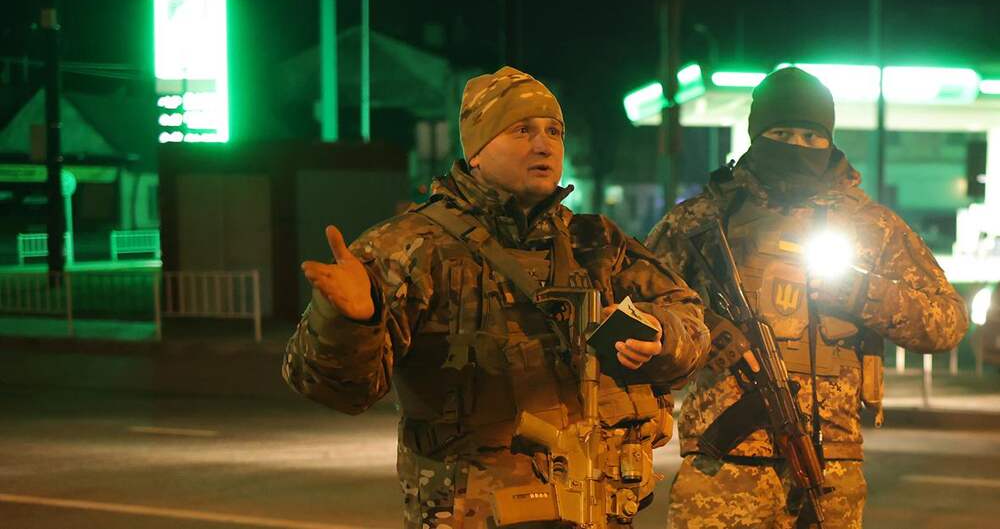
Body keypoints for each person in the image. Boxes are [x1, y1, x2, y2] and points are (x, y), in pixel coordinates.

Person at [283, 66, 710, 528]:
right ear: (477, 151)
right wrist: (349, 321)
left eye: (554, 131)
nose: (544, 145)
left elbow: (689, 323)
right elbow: (332, 388)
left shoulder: (596, 244)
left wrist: (661, 334)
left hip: (596, 510)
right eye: (522, 130)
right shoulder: (413, 247)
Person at [646, 67, 969, 529]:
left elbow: (947, 323)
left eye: (811, 136)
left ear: (829, 140)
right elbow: (638, 310)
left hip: (828, 464)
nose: (796, 146)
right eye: (781, 133)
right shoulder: (702, 221)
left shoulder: (870, 226)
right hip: (722, 467)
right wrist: (699, 330)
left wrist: (861, 292)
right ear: (757, 135)